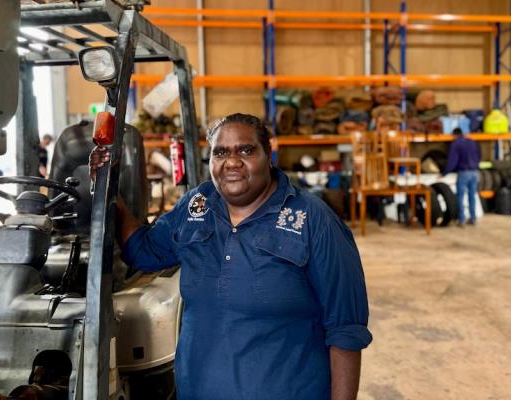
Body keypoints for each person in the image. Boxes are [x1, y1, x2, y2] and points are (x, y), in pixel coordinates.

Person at [89, 113, 372, 400]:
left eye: (246, 150)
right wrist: (110, 192)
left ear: (268, 154)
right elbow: (143, 251)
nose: (232, 162)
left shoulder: (313, 219)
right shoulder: (197, 205)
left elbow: (345, 331)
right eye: (220, 152)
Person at [444, 127, 481, 226]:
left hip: (464, 172)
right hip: (475, 172)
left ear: (455, 135)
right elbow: (479, 155)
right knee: (472, 196)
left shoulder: (455, 144)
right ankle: (473, 218)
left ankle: (462, 220)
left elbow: (452, 161)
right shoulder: (473, 142)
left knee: (460, 197)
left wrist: (445, 173)